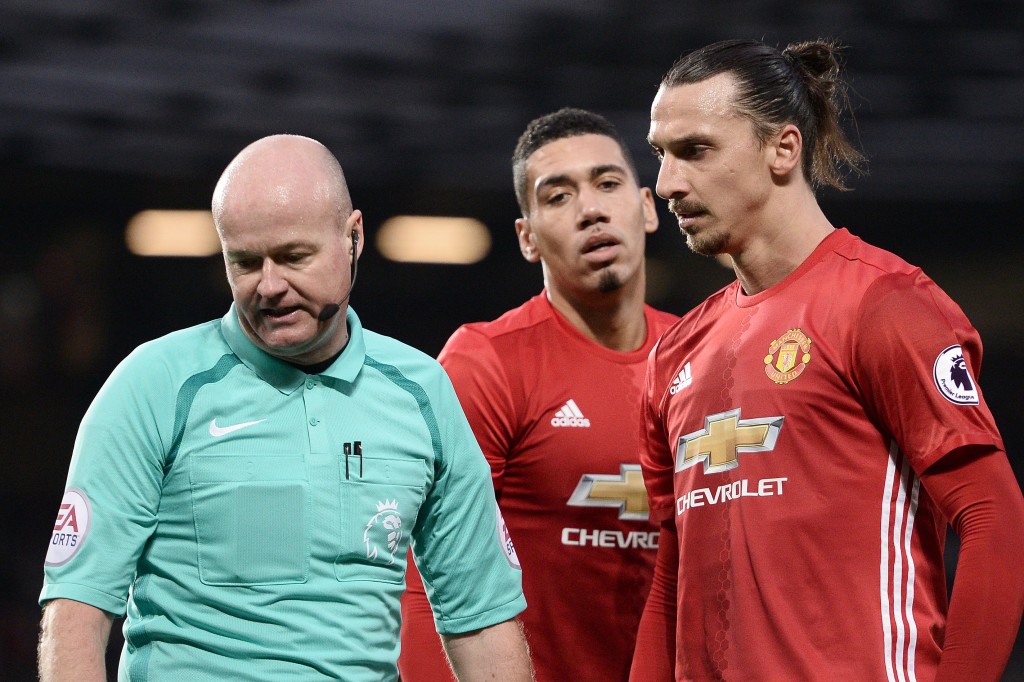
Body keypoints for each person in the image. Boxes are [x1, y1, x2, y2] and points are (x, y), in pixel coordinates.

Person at [37, 134, 533, 681]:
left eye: (295, 257)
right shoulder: (153, 385)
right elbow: (78, 609)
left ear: (354, 238)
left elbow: (482, 619)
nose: (269, 286)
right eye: (245, 262)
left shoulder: (422, 392)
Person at [634, 38, 1024, 681]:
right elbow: (669, 581)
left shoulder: (883, 305)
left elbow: (993, 522)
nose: (668, 183)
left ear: (783, 149)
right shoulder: (675, 352)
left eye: (695, 151)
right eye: (661, 156)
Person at [399, 108, 678, 681]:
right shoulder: (488, 363)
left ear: (648, 207)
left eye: (607, 183)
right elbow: (425, 574)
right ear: (527, 238)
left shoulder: (706, 352)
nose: (591, 210)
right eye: (558, 197)